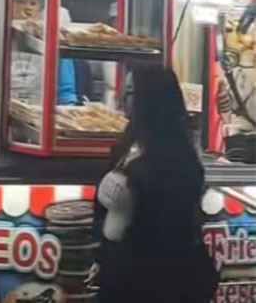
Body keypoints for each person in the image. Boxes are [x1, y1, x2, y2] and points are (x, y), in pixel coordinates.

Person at [92, 67, 217, 303]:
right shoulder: (126, 144)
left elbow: (166, 230)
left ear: (150, 99)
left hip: (153, 280)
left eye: (131, 92)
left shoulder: (176, 161)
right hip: (119, 270)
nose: (123, 98)